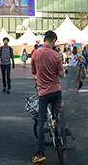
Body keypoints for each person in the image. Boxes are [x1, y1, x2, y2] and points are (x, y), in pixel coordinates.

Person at [30, 31, 64, 164]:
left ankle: (40, 153)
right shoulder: (56, 55)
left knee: (41, 121)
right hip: (56, 91)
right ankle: (59, 133)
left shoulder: (35, 53)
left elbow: (33, 72)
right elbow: (61, 74)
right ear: (54, 40)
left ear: (45, 39)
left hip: (43, 93)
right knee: (58, 115)